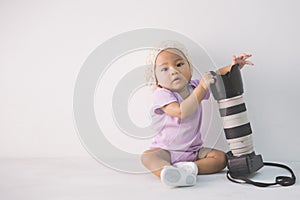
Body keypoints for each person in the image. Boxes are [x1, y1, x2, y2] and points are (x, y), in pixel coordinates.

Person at [141, 41, 254, 187]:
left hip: (193, 151)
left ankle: (190, 169)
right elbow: (182, 112)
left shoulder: (194, 86)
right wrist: (202, 87)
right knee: (148, 157)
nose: (174, 71)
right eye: (164, 69)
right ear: (156, 79)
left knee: (221, 158)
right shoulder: (162, 93)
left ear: (189, 66)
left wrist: (234, 67)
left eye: (179, 64)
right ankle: (167, 171)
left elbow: (215, 75)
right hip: (166, 150)